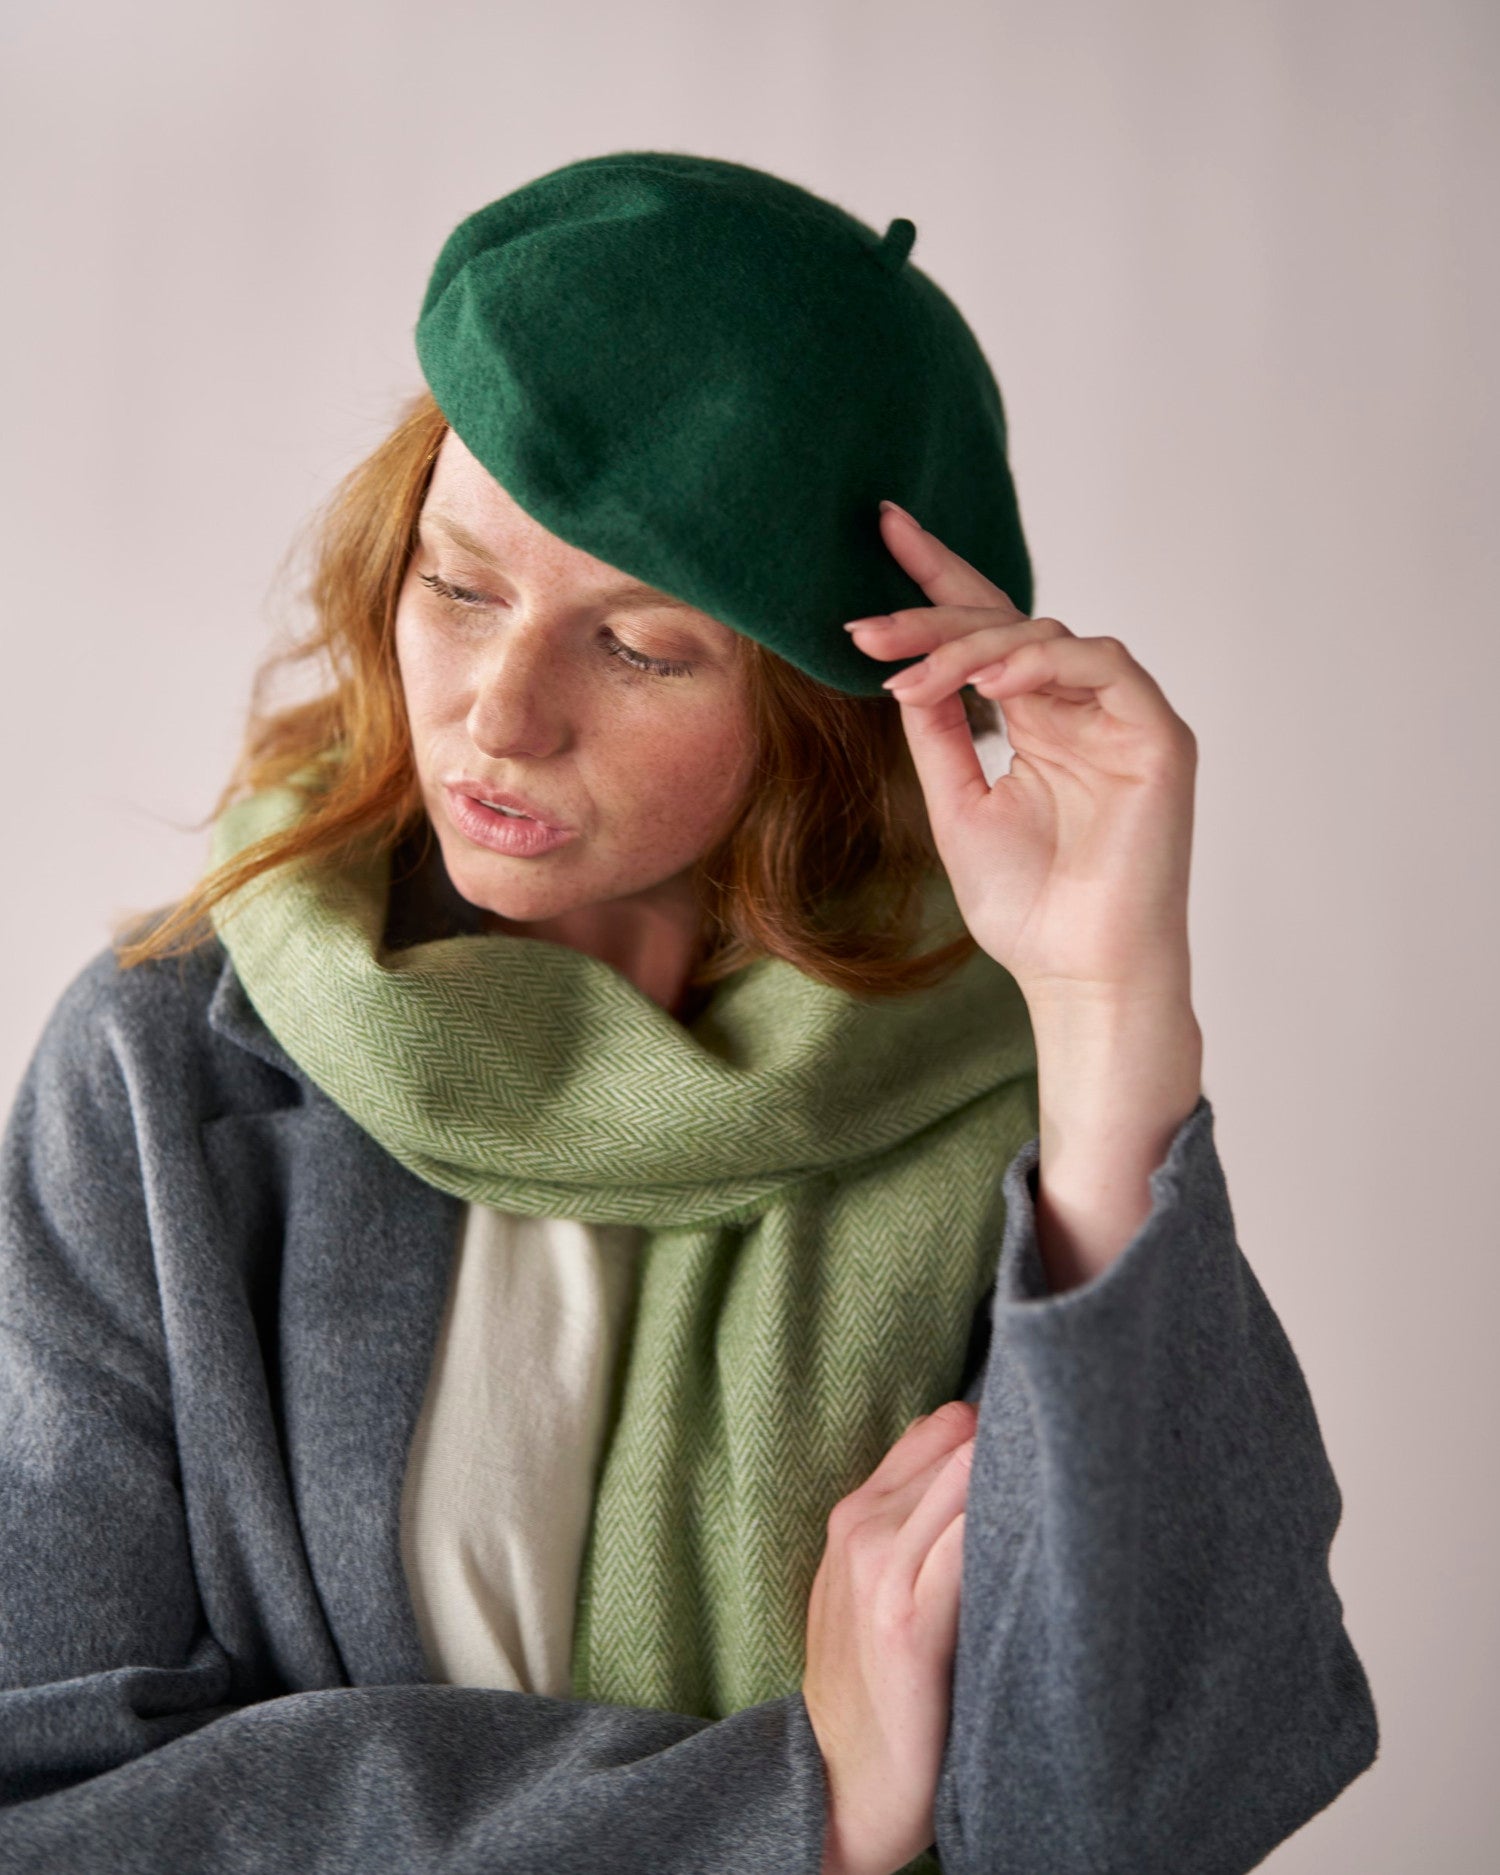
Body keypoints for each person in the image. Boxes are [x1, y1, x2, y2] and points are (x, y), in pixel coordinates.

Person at [0, 151, 1378, 1875]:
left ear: (826, 713)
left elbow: (1146, 1804)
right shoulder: (163, 1073)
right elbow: (45, 1808)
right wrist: (789, 1803)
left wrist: (1108, 1016)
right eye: (457, 584)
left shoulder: (995, 1114)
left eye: (640, 647)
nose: (501, 713)